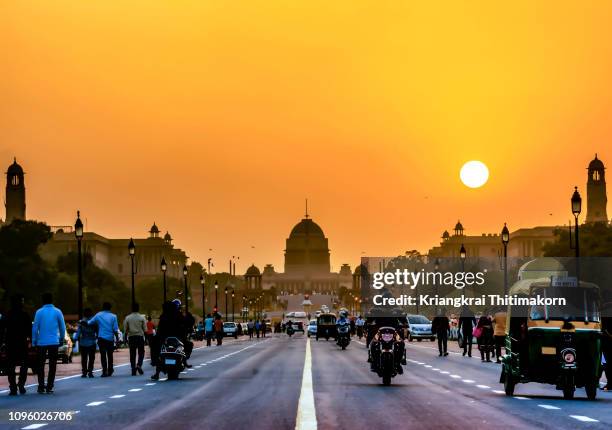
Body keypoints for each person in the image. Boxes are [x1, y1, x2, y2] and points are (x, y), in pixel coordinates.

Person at [32, 293, 65, 394]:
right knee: (52, 365)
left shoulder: (39, 312)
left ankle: (41, 386)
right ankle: (50, 386)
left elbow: (35, 328)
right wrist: (61, 339)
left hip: (41, 343)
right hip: (54, 342)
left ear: (43, 300)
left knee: (40, 365)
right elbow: (62, 327)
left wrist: (34, 341)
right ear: (52, 300)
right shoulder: (57, 311)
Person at [1, 295, 32, 395]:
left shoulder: (7, 315)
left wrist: (2, 342)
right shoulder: (25, 315)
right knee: (24, 364)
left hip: (10, 343)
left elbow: (2, 330)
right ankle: (21, 385)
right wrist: (31, 340)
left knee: (10, 366)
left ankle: (13, 387)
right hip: (22, 343)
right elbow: (29, 330)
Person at [151, 301, 187, 380]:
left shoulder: (164, 316)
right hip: (176, 337)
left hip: (165, 338)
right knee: (187, 344)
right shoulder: (178, 315)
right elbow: (184, 326)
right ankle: (185, 361)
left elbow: (160, 329)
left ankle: (156, 371)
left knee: (156, 348)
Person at [87, 302, 120, 377]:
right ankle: (110, 369)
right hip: (110, 338)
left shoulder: (98, 315)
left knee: (103, 355)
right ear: (110, 308)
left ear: (103, 307)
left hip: (101, 338)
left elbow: (90, 322)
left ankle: (104, 371)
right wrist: (117, 339)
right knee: (110, 354)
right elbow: (115, 329)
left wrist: (82, 322)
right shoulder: (113, 316)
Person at [124, 302, 147, 376]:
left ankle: (133, 369)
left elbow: (125, 330)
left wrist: (125, 338)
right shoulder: (142, 317)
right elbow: (145, 329)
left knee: (132, 354)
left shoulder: (128, 318)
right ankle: (139, 365)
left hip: (132, 337)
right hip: (140, 337)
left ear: (132, 309)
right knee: (141, 352)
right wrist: (146, 339)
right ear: (138, 309)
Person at [76, 308, 97, 378]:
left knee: (84, 358)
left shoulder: (81, 321)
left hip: (83, 342)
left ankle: (84, 372)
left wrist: (75, 338)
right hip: (92, 342)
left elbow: (78, 332)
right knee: (91, 358)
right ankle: (90, 372)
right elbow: (97, 331)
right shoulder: (94, 321)